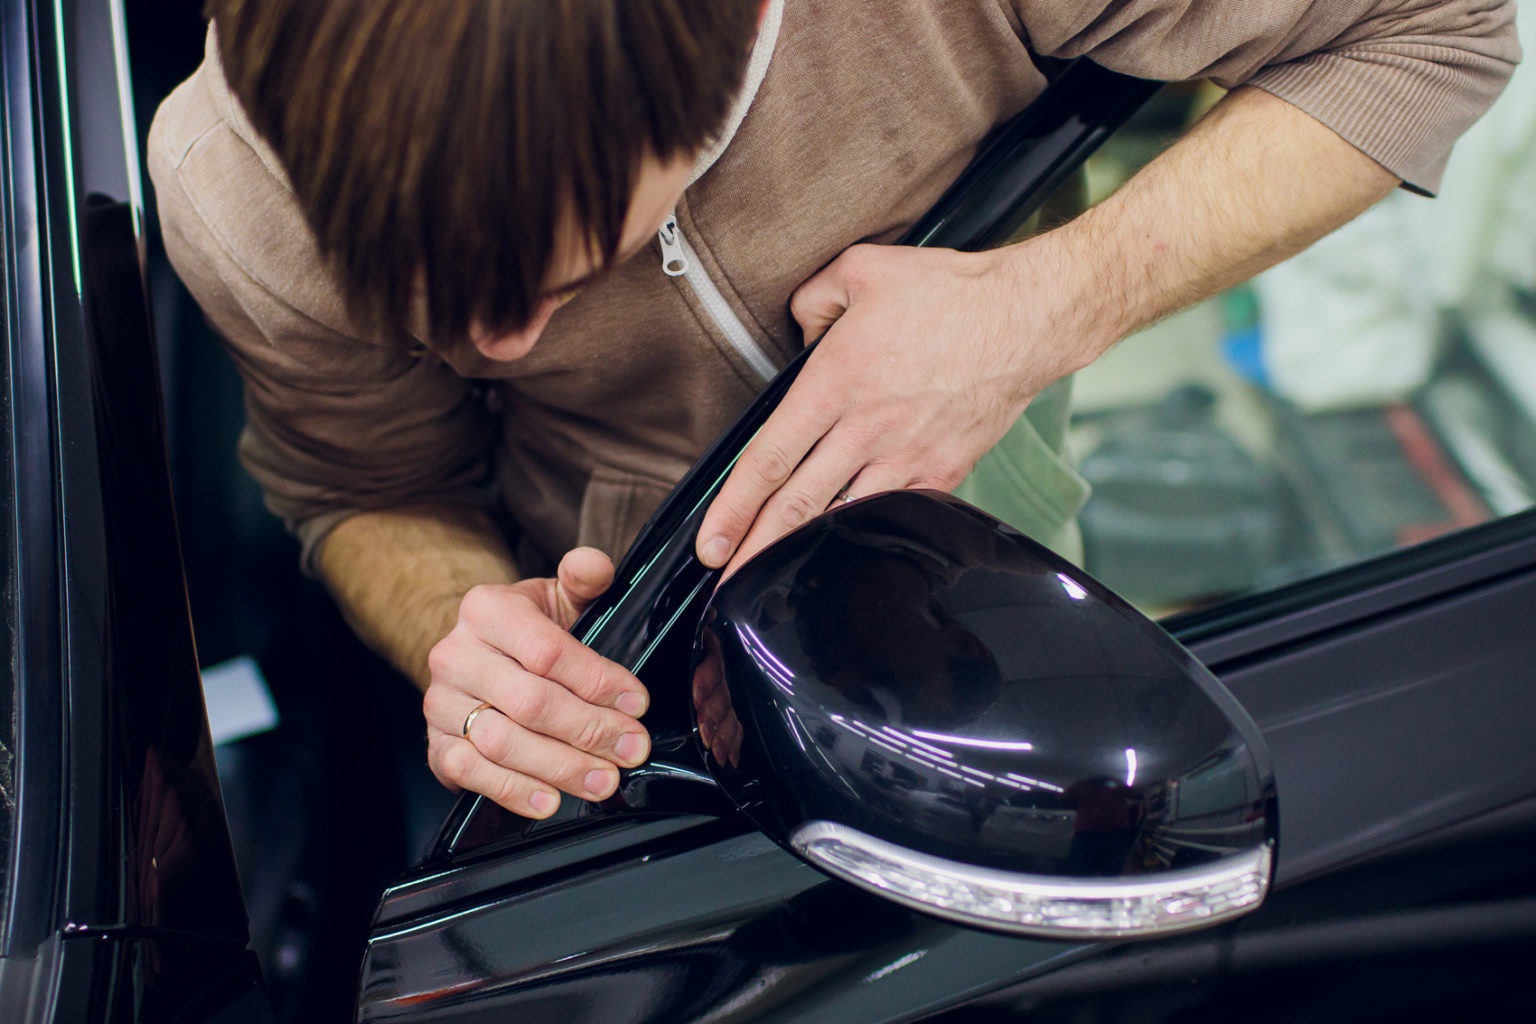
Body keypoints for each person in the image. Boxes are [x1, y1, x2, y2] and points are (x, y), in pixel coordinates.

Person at [149, 0, 1519, 820]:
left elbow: (1432, 32)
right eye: (428, 298)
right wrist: (459, 631)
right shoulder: (230, 186)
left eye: (561, 278)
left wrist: (1044, 304)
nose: (493, 350)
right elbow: (368, 486)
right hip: (619, 704)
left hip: (975, 578)